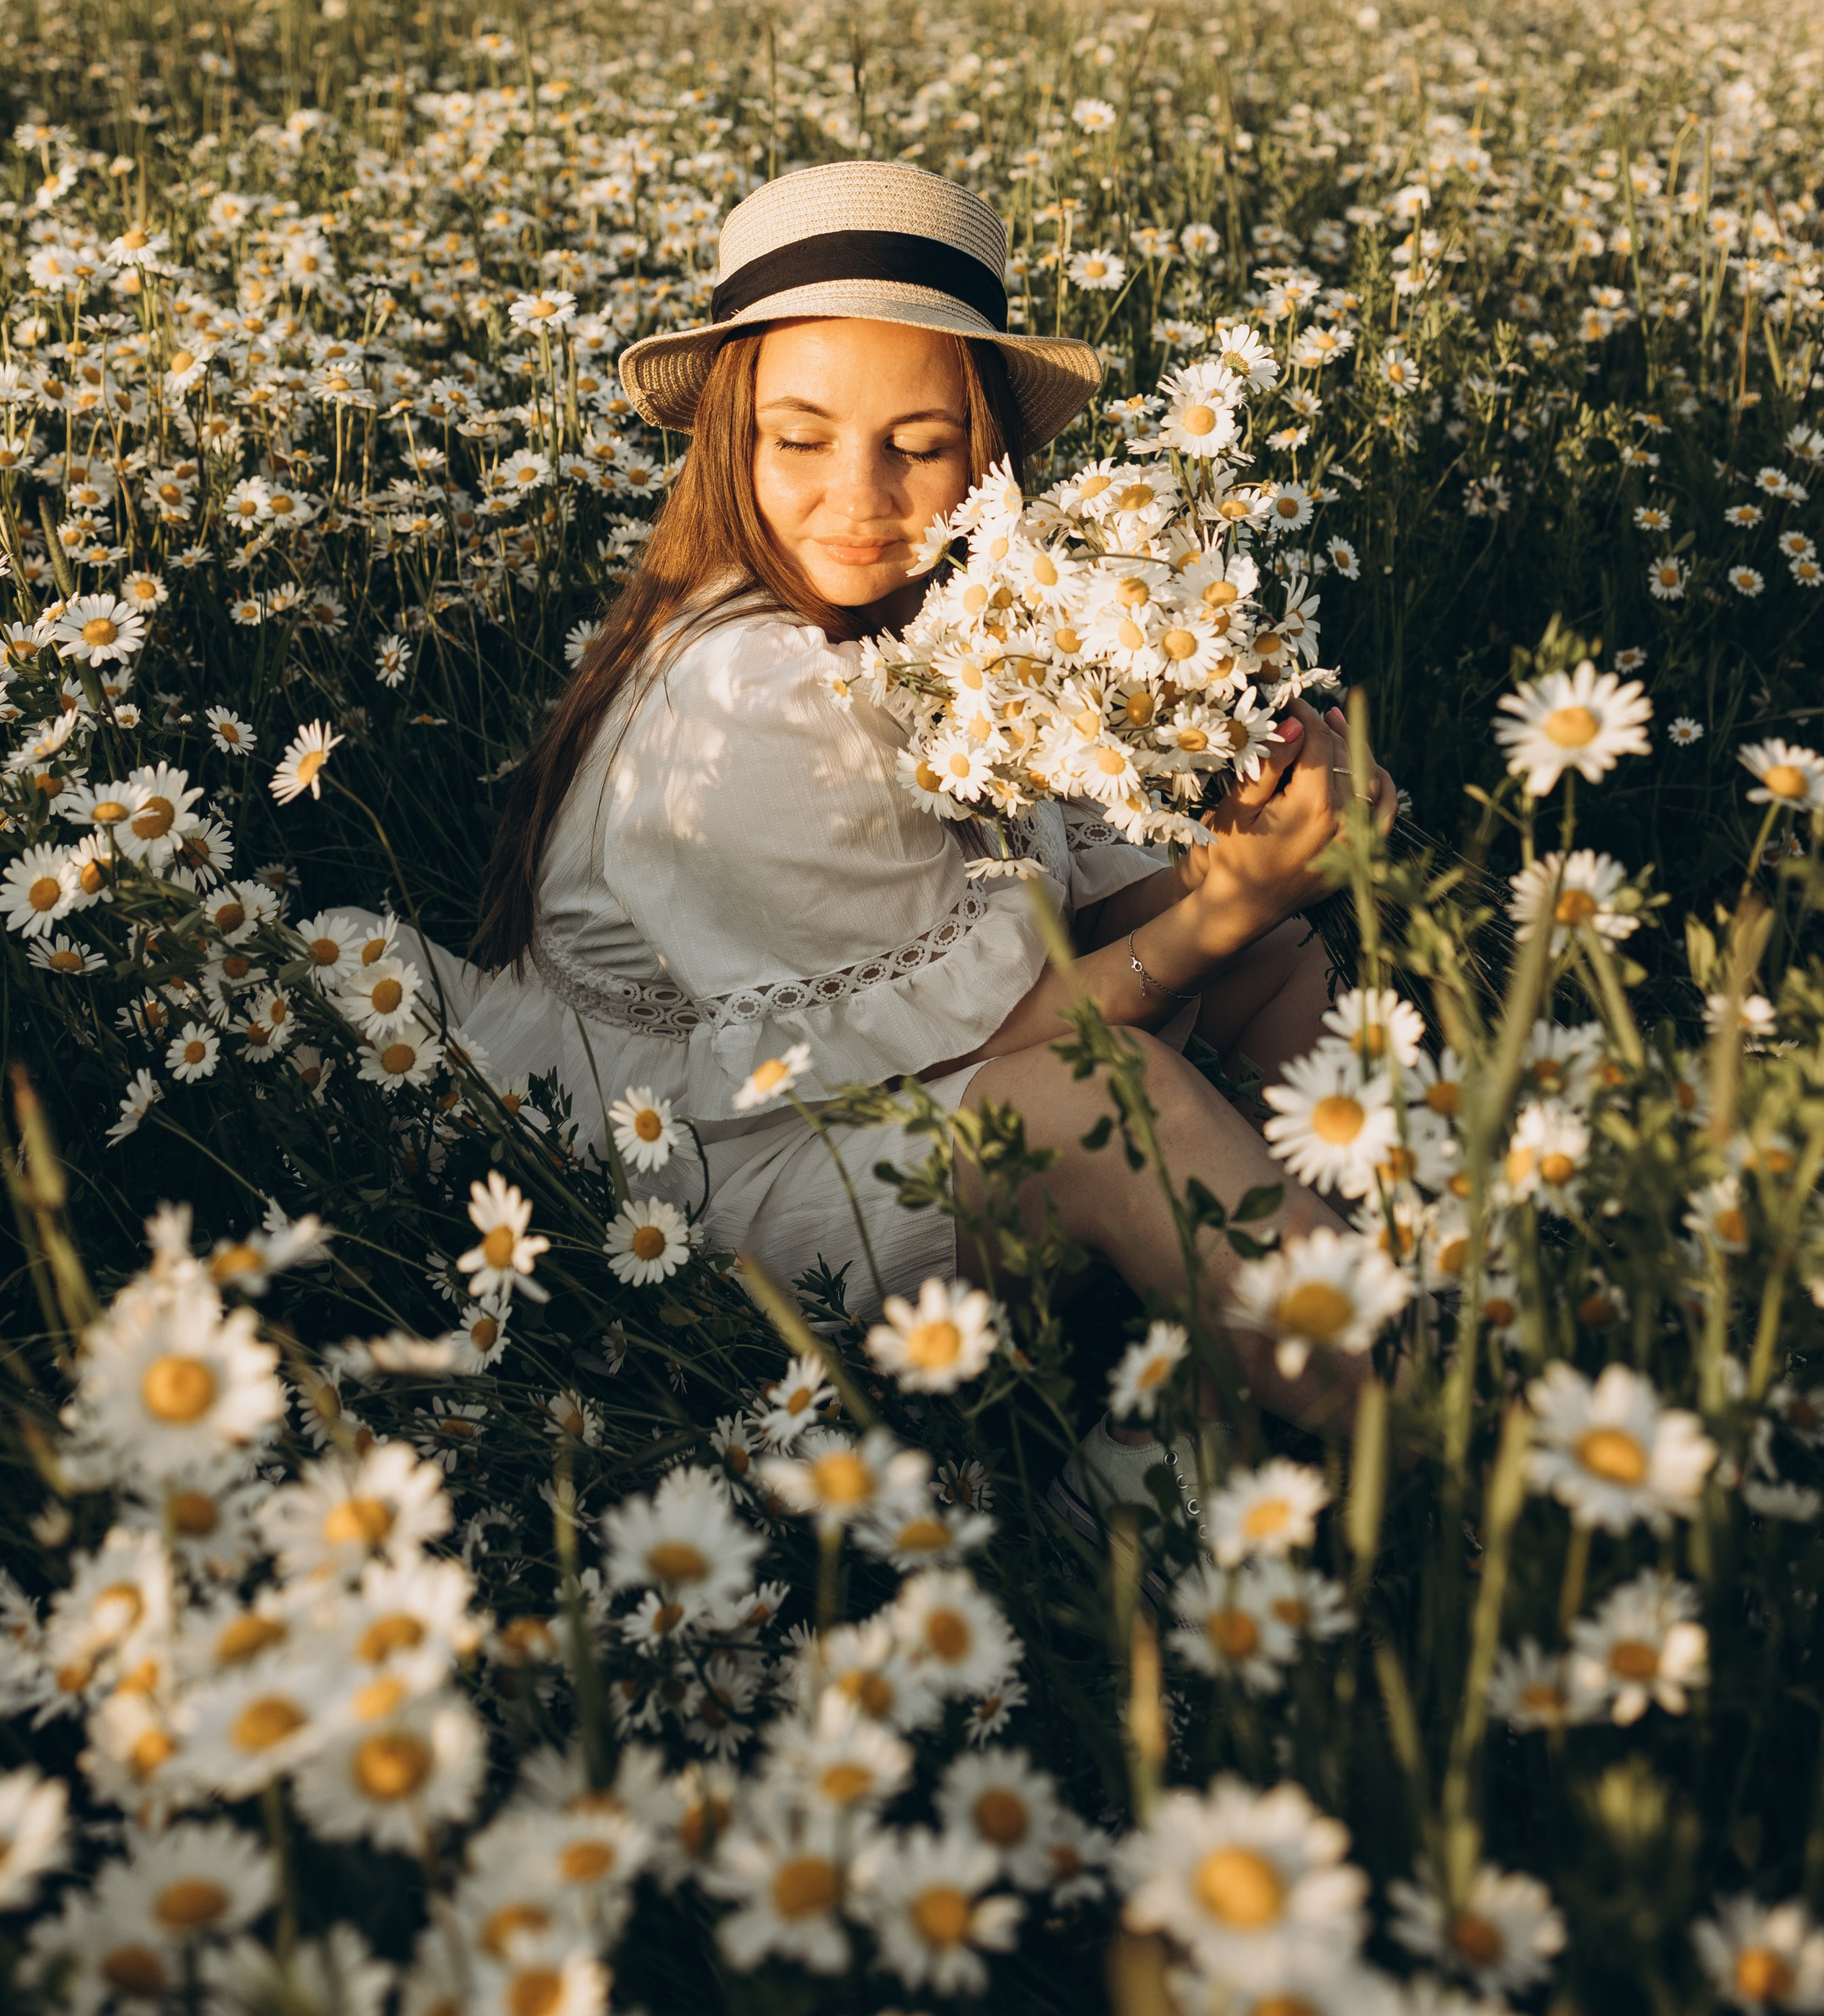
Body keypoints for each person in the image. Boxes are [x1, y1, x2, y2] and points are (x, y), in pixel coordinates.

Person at [422, 161, 1394, 1523]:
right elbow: (1003, 1047)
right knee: (1116, 1105)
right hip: (712, 1169)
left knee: (1279, 960)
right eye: (800, 438)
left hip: (877, 1081)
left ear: (986, 459)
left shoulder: (964, 632)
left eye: (918, 445)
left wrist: (1250, 856)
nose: (860, 496)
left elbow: (1037, 933)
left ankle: (1354, 1302)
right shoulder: (743, 695)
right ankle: (1417, 1434)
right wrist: (1207, 913)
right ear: (732, 442)